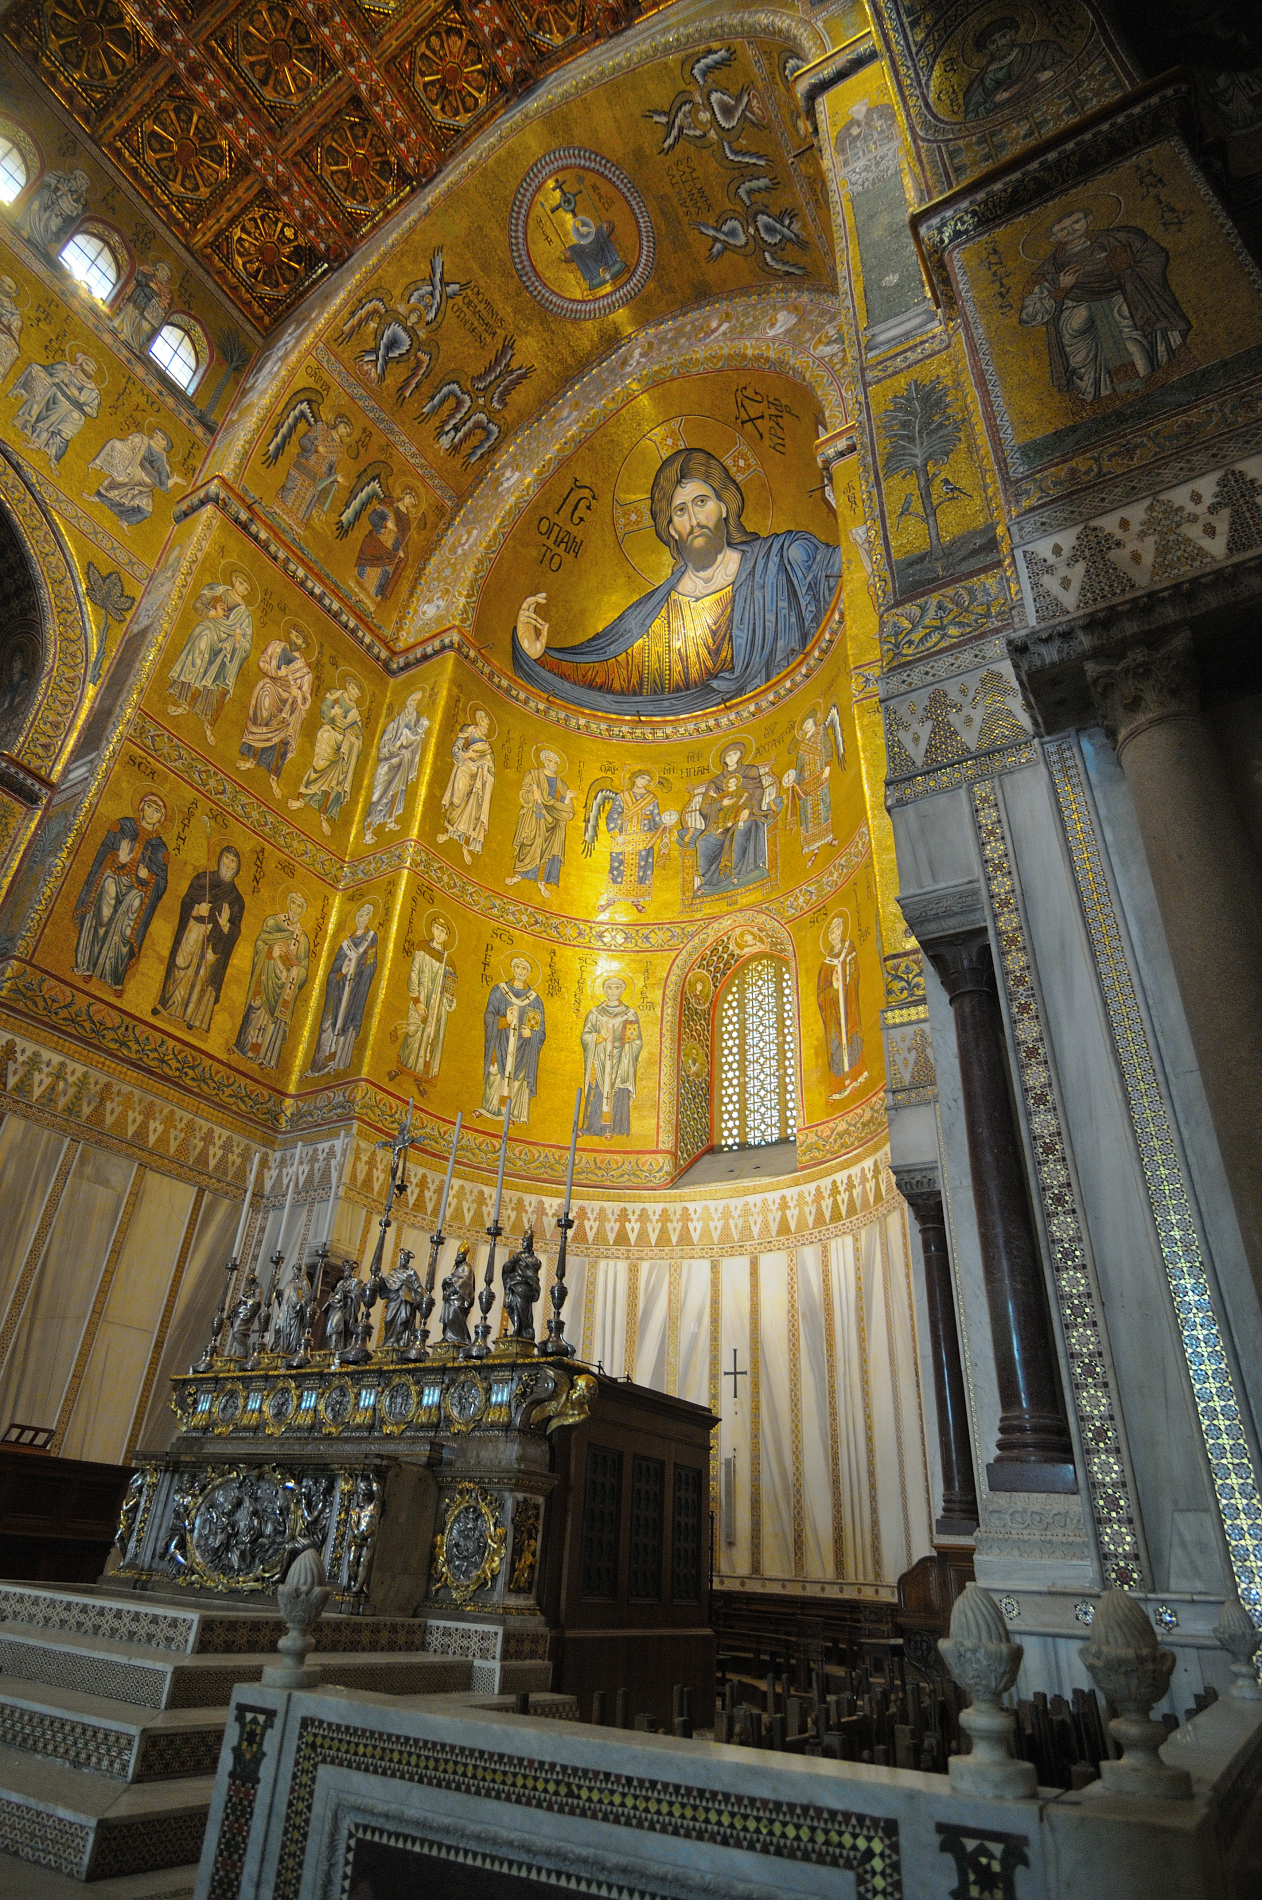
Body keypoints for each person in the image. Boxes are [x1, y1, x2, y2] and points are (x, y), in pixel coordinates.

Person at [512, 447, 841, 713]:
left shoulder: (783, 559)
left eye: (701, 502)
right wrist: (540, 657)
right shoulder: (654, 615)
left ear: (724, 506)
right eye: (680, 511)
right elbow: (609, 673)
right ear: (671, 528)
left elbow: (843, 569)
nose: (695, 520)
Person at [1019, 208, 1192, 404]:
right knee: (1088, 363)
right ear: (1052, 238)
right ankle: (1105, 404)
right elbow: (1028, 316)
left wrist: (1126, 269)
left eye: (1075, 222)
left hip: (1123, 307)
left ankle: (1156, 391)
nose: (1071, 230)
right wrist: (1061, 291)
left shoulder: (1118, 241)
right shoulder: (1049, 271)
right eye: (1062, 230)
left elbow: (1155, 256)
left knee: (1134, 340)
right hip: (1082, 328)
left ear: (1089, 219)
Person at [72, 794, 168, 993]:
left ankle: (113, 976)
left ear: (161, 819)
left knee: (125, 932)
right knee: (102, 917)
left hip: (137, 892)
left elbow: (161, 883)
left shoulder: (160, 848)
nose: (151, 813)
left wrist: (149, 878)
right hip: (112, 877)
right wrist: (118, 859)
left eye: (157, 811)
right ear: (141, 808)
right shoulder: (123, 826)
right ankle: (88, 965)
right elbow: (103, 852)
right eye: (149, 807)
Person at [152, 845, 245, 1033]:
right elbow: (186, 902)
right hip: (192, 930)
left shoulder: (236, 899)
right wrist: (195, 909)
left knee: (202, 975)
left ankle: (192, 1016)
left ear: (237, 868)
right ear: (220, 859)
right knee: (181, 965)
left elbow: (236, 931)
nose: (228, 864)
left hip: (213, 941)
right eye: (226, 858)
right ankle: (168, 1005)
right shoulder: (202, 880)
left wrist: (226, 925)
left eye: (233, 861)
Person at [683, 742, 780, 898]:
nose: (731, 757)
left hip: (747, 815)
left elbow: (757, 792)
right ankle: (710, 882)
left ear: (740, 755)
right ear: (723, 760)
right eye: (728, 755)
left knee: (741, 829)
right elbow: (705, 808)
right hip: (722, 821)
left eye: (734, 754)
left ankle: (742, 873)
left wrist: (748, 810)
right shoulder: (716, 782)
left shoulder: (750, 771)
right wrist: (721, 804)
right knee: (703, 842)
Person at [166, 572, 254, 741]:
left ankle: (207, 724)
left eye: (246, 587)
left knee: (222, 670)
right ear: (234, 580)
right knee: (203, 635)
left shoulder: (245, 617)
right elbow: (197, 605)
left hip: (227, 647)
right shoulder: (217, 591)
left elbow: (247, 645)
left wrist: (238, 641)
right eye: (241, 583)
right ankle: (184, 703)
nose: (242, 588)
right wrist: (214, 614)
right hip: (210, 629)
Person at [234, 892, 310, 1070]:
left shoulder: (303, 939)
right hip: (264, 980)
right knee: (256, 1010)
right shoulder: (273, 923)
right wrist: (271, 953)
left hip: (283, 988)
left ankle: (264, 1058)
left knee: (272, 1022)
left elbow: (305, 968)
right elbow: (260, 944)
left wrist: (295, 972)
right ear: (287, 903)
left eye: (299, 906)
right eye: (293, 904)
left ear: (303, 911)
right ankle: (243, 1048)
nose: (295, 909)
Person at [238, 628, 313, 793]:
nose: (293, 638)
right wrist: (276, 672)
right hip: (271, 687)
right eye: (292, 633)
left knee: (285, 732)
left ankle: (273, 777)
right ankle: (251, 759)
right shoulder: (275, 646)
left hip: (289, 705)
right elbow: (262, 662)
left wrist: (298, 693)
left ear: (304, 644)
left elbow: (306, 700)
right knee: (265, 693)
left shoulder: (305, 672)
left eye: (298, 637)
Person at [307, 902, 377, 1075]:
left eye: (366, 916)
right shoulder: (345, 944)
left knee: (348, 1022)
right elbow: (332, 973)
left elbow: (371, 963)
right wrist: (341, 974)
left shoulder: (371, 939)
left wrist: (361, 975)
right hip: (339, 991)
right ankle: (321, 1061)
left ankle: (338, 1062)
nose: (363, 919)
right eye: (360, 916)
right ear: (355, 918)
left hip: (356, 990)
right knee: (330, 1021)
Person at [288, 678, 363, 835]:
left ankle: (323, 815)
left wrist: (354, 739)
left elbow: (359, 735)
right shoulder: (335, 695)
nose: (356, 694)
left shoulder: (356, 713)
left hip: (343, 746)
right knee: (319, 766)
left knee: (334, 781)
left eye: (358, 693)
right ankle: (301, 798)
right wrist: (333, 713)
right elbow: (324, 714)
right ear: (348, 685)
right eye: (355, 689)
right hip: (328, 736)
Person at [481, 954, 545, 1125]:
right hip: (500, 1042)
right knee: (495, 1073)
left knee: (518, 1079)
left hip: (522, 1048)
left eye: (524, 969)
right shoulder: (499, 991)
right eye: (518, 967)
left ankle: (514, 1113)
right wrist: (503, 1021)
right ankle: (490, 1108)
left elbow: (539, 1030)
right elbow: (488, 1016)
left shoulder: (534, 1000)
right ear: (512, 968)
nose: (520, 972)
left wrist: (531, 1034)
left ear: (529, 973)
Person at [963, 17, 1067, 121]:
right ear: (986, 51)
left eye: (1003, 36)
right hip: (1007, 120)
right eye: (992, 43)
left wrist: (1048, 73)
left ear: (1013, 34)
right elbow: (971, 116)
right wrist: (994, 103)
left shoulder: (1037, 51)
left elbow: (1066, 61)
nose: (1000, 44)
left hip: (1046, 106)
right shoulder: (984, 79)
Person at [580, 975, 642, 1137]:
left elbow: (634, 1042)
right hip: (599, 1060)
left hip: (620, 1060)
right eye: (609, 987)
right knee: (598, 1089)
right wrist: (600, 1037)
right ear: (604, 990)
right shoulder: (595, 1014)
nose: (613, 991)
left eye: (617, 988)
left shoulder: (629, 1015)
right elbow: (586, 1037)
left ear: (622, 990)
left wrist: (623, 1044)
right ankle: (592, 1128)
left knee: (617, 1091)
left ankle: (614, 1128)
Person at [10, 351, 99, 465]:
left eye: (92, 369)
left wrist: (79, 398)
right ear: (80, 363)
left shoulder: (93, 391)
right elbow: (50, 373)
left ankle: (39, 445)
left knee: (66, 415)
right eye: (87, 365)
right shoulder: (67, 369)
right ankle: (23, 424)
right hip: (53, 396)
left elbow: (93, 412)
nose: (89, 370)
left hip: (70, 409)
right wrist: (44, 374)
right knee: (49, 395)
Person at [363, 692, 428, 844]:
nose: (415, 703)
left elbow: (413, 743)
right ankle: (368, 830)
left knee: (397, 793)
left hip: (403, 763)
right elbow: (382, 753)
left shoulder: (414, 721)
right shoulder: (393, 726)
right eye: (413, 700)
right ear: (407, 701)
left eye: (418, 701)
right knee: (378, 797)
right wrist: (398, 745)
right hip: (388, 766)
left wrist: (417, 734)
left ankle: (390, 820)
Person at [506, 747, 574, 893]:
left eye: (556, 762)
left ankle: (542, 881)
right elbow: (524, 793)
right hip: (536, 815)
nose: (553, 765)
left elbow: (565, 807)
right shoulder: (533, 775)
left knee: (547, 851)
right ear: (544, 760)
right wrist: (533, 795)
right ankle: (518, 875)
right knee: (529, 842)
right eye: (550, 761)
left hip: (553, 821)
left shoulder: (560, 783)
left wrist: (567, 798)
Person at [398, 916, 456, 1083]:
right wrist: (417, 1001)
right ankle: (403, 1068)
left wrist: (448, 999)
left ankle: (419, 1078)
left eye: (443, 931)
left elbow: (450, 991)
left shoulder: (449, 962)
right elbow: (414, 973)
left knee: (429, 1037)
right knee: (412, 1031)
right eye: (437, 928)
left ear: (446, 936)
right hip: (420, 1000)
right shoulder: (422, 948)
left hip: (435, 1007)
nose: (439, 933)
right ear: (432, 928)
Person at [87, 425, 182, 526]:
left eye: (162, 439)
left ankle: (125, 521)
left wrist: (174, 480)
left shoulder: (163, 462)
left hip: (144, 488)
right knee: (117, 483)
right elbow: (127, 447)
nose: (157, 438)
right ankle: (98, 497)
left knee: (146, 512)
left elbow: (163, 483)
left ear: (166, 445)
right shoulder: (141, 440)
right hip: (131, 474)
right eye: (157, 434)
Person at [437, 709, 494, 864]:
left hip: (478, 781)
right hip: (464, 769)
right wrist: (467, 755)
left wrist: (485, 771)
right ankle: (448, 832)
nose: (486, 725)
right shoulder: (468, 731)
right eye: (485, 721)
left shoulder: (487, 746)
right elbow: (456, 749)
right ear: (478, 720)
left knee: (473, 814)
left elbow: (491, 768)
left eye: (488, 723)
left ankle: (465, 847)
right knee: (457, 799)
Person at [277, 409, 353, 525]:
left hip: (316, 479)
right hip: (303, 467)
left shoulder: (339, 450)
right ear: (338, 422)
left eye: (346, 432)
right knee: (288, 489)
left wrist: (336, 479)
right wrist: (316, 448)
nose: (343, 431)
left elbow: (331, 471)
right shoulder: (321, 428)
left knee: (304, 504)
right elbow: (303, 441)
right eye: (343, 427)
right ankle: (276, 511)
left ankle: (293, 527)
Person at [818, 913, 864, 1100]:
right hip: (834, 1012)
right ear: (829, 935)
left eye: (838, 929)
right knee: (836, 1041)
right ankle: (840, 1081)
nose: (835, 934)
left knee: (852, 1036)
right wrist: (833, 988)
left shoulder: (849, 947)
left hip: (848, 1003)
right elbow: (821, 992)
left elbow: (856, 972)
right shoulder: (825, 963)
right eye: (832, 931)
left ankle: (856, 1074)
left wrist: (845, 984)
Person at [783, 713, 836, 861]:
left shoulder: (821, 733)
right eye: (803, 726)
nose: (805, 727)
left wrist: (828, 767)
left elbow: (828, 749)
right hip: (806, 783)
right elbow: (798, 769)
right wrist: (793, 782)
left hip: (819, 776)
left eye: (806, 723)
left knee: (824, 807)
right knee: (808, 814)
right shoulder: (802, 746)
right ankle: (815, 847)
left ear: (813, 721)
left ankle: (828, 838)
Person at [354, 485, 419, 603]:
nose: (410, 502)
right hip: (375, 544)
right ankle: (354, 595)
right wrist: (385, 524)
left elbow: (404, 541)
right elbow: (372, 517)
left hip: (389, 555)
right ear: (404, 494)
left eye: (412, 502)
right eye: (410, 498)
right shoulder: (389, 504)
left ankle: (369, 606)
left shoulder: (407, 521)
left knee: (382, 577)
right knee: (365, 569)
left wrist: (402, 552)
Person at [20, 167, 88, 254]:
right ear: (77, 177)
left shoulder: (81, 197)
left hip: (59, 210)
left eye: (85, 184)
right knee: (37, 205)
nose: (82, 185)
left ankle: (40, 243)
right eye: (81, 181)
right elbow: (47, 179)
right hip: (47, 199)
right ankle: (26, 230)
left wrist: (76, 209)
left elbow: (78, 212)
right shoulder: (63, 178)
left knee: (54, 222)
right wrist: (58, 185)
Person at [113, 259, 173, 352]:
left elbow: (166, 302)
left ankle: (135, 345)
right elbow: (138, 276)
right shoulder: (148, 272)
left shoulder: (166, 290)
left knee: (142, 325)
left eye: (167, 276)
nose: (165, 276)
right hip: (139, 297)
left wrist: (162, 303)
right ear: (159, 268)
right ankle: (124, 334)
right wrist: (149, 283)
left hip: (150, 308)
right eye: (164, 272)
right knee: (131, 314)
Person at [501, 1230, 542, 1341]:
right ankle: (516, 1329)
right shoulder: (517, 1256)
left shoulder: (534, 1260)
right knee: (512, 1306)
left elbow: (533, 1273)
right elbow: (507, 1269)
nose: (523, 1243)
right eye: (523, 1241)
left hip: (525, 1288)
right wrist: (513, 1262)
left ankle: (523, 1331)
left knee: (522, 1309)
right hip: (514, 1286)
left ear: (530, 1243)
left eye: (525, 1241)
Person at [441, 1244, 476, 1346]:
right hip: (451, 1298)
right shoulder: (458, 1268)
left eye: (461, 1255)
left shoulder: (466, 1267)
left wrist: (452, 1281)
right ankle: (448, 1336)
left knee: (453, 1316)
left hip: (460, 1299)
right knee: (448, 1318)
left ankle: (461, 1338)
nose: (458, 1257)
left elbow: (464, 1281)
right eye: (458, 1255)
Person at [0, 275, 22, 381]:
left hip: (2, 330)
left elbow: (14, 333)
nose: (3, 285)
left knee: (12, 348)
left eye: (8, 286)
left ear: (12, 292)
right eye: (2, 282)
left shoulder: (13, 310)